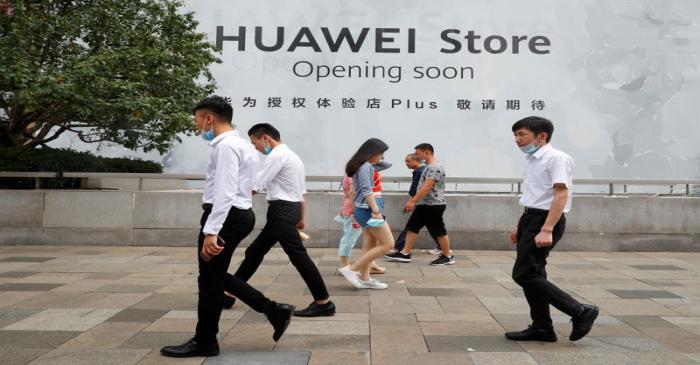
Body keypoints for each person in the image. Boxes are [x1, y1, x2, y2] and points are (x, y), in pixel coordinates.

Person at [161, 96, 294, 358]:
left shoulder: (225, 147)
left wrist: (212, 231)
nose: (197, 125)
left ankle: (206, 341)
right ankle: (273, 310)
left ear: (209, 118)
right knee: (215, 276)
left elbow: (224, 190)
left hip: (226, 216)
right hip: (238, 214)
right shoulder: (242, 144)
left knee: (209, 280)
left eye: (198, 120)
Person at [225, 123, 335, 318]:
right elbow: (301, 193)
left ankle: (324, 301)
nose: (255, 148)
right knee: (256, 252)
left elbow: (257, 184)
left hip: (281, 212)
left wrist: (227, 201)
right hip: (288, 211)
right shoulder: (293, 156)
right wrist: (301, 217)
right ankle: (229, 294)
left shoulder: (277, 155)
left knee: (297, 256)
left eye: (255, 142)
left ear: (265, 138)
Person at [505, 116, 598, 343]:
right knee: (534, 275)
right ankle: (542, 328)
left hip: (546, 220)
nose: (517, 140)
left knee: (524, 274)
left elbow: (560, 194)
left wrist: (547, 228)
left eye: (522, 135)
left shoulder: (557, 158)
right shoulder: (532, 159)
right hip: (531, 218)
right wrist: (521, 224)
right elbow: (535, 196)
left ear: (542, 136)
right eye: (515, 135)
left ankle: (579, 311)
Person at [385, 144, 455, 266]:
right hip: (425, 205)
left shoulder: (435, 168)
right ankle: (405, 253)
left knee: (439, 231)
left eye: (418, 153)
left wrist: (413, 201)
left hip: (433, 205)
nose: (416, 156)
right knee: (412, 228)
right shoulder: (430, 167)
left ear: (426, 153)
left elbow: (427, 186)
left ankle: (447, 256)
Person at [338, 138, 394, 289]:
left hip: (365, 208)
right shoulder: (365, 167)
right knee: (388, 243)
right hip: (368, 209)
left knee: (370, 245)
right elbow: (366, 189)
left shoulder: (365, 165)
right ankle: (352, 270)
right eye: (381, 153)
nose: (382, 157)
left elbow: (387, 165)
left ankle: (365, 278)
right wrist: (376, 211)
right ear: (372, 152)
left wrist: (375, 160)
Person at [392, 153, 442, 254]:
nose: (406, 163)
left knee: (411, 226)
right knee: (432, 226)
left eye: (408, 161)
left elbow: (421, 188)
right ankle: (442, 248)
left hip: (422, 203)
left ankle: (399, 248)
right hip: (424, 203)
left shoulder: (420, 171)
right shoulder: (420, 171)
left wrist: (413, 201)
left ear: (416, 161)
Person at [335, 174, 362, 267]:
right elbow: (352, 192)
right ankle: (344, 265)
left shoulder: (351, 172)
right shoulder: (353, 173)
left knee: (371, 238)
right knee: (349, 237)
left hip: (354, 208)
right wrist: (355, 211)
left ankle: (371, 264)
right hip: (354, 209)